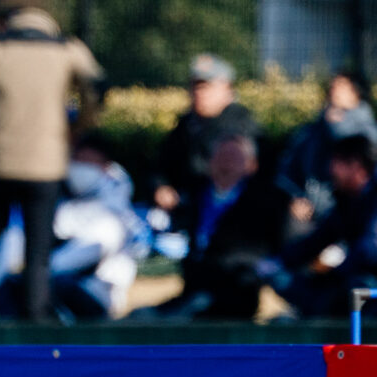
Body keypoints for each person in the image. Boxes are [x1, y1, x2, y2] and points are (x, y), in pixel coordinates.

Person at [0, 6, 103, 321]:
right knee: (38, 247)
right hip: (46, 165)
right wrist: (80, 124)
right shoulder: (66, 48)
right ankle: (35, 311)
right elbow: (96, 86)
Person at [0, 134, 149, 320]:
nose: (80, 167)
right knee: (7, 287)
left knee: (37, 286)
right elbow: (18, 235)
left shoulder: (115, 210)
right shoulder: (61, 196)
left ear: (106, 166)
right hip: (49, 284)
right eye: (78, 160)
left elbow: (89, 249)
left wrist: (37, 276)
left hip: (92, 296)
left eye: (88, 162)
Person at [141, 134, 283, 320]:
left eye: (234, 157)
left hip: (234, 290)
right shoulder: (195, 195)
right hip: (193, 287)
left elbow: (257, 251)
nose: (226, 163)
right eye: (221, 156)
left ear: (251, 165)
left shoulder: (264, 201)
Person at [274, 134, 377, 317]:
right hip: (352, 276)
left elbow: (368, 249)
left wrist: (330, 274)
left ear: (355, 165)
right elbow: (319, 238)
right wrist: (276, 262)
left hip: (367, 283)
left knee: (351, 291)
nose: (331, 169)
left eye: (336, 162)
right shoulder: (348, 199)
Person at [151, 55, 259, 218]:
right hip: (184, 213)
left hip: (228, 216)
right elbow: (161, 166)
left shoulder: (242, 127)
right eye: (194, 86)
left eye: (206, 87)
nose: (199, 93)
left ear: (227, 88)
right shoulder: (186, 125)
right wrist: (161, 187)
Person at [276, 70, 377, 240]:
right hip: (310, 208)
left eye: (342, 86)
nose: (334, 91)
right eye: (332, 86)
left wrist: (335, 125)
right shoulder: (314, 129)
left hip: (349, 209)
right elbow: (291, 163)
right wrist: (295, 196)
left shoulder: (367, 131)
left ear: (357, 93)